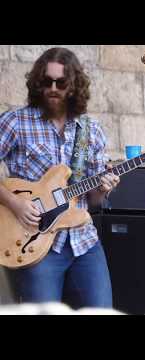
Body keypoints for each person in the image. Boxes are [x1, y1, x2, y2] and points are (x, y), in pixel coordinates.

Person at [0, 47, 120, 308]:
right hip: (35, 242)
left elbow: (95, 200)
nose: (53, 88)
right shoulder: (15, 122)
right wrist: (15, 203)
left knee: (101, 313)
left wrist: (104, 187)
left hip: (84, 242)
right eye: (46, 81)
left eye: (61, 82)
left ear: (74, 85)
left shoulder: (92, 130)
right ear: (37, 83)